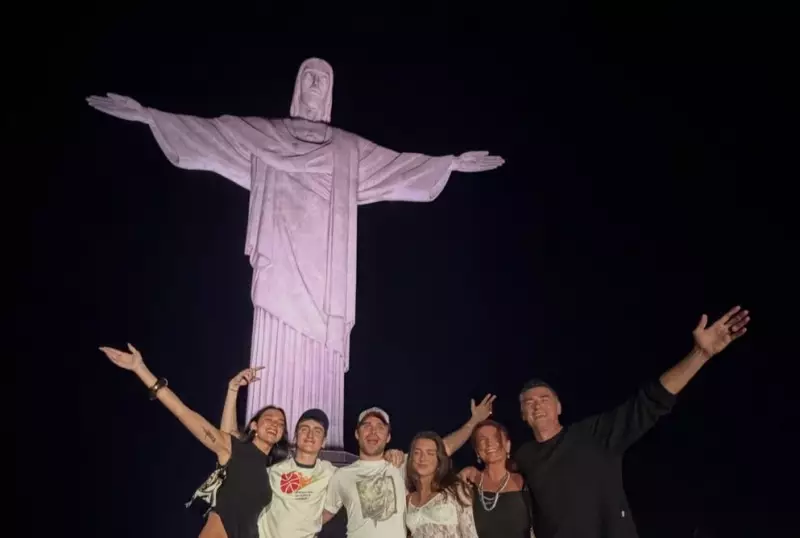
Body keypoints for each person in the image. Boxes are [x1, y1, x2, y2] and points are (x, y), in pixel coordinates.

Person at [86, 58, 505, 447]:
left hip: (325, 269)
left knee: (321, 344)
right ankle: (266, 437)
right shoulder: (266, 134)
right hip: (278, 258)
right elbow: (211, 134)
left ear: (330, 94)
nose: (315, 84)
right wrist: (148, 115)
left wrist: (448, 164)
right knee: (272, 334)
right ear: (296, 87)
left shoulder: (347, 148)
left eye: (323, 80)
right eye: (309, 76)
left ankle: (327, 443)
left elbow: (398, 167)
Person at [463, 304, 751, 538]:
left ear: (559, 406)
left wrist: (699, 354)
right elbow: (499, 469)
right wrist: (473, 473)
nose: (537, 405)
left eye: (544, 399)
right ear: (523, 415)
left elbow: (651, 401)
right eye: (529, 403)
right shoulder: (525, 456)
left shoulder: (595, 434)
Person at [99, 346, 288, 538]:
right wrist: (140, 369)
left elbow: (228, 432)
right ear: (254, 426)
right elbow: (183, 411)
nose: (275, 424)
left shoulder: (270, 469)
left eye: (280, 423)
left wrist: (233, 389)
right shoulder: (234, 450)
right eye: (269, 419)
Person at [321, 395, 495, 537]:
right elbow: (322, 516)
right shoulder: (341, 475)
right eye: (366, 426)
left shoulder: (402, 464)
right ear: (357, 434)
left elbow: (444, 447)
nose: (373, 432)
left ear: (388, 437)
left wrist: (475, 420)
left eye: (380, 427)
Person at [257, 408, 337, 538]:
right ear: (295, 436)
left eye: (317, 431)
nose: (310, 435)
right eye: (304, 429)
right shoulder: (273, 471)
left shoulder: (330, 473)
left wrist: (312, 524)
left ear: (323, 442)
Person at [406, 431, 479, 538]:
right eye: (417, 452)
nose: (422, 458)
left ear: (439, 460)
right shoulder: (408, 499)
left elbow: (470, 533)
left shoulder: (456, 490)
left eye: (430, 453)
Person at [469, 420, 533, 538]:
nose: (489, 443)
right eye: (482, 440)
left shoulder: (527, 482)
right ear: (477, 451)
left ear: (508, 445)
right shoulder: (467, 484)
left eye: (496, 437)